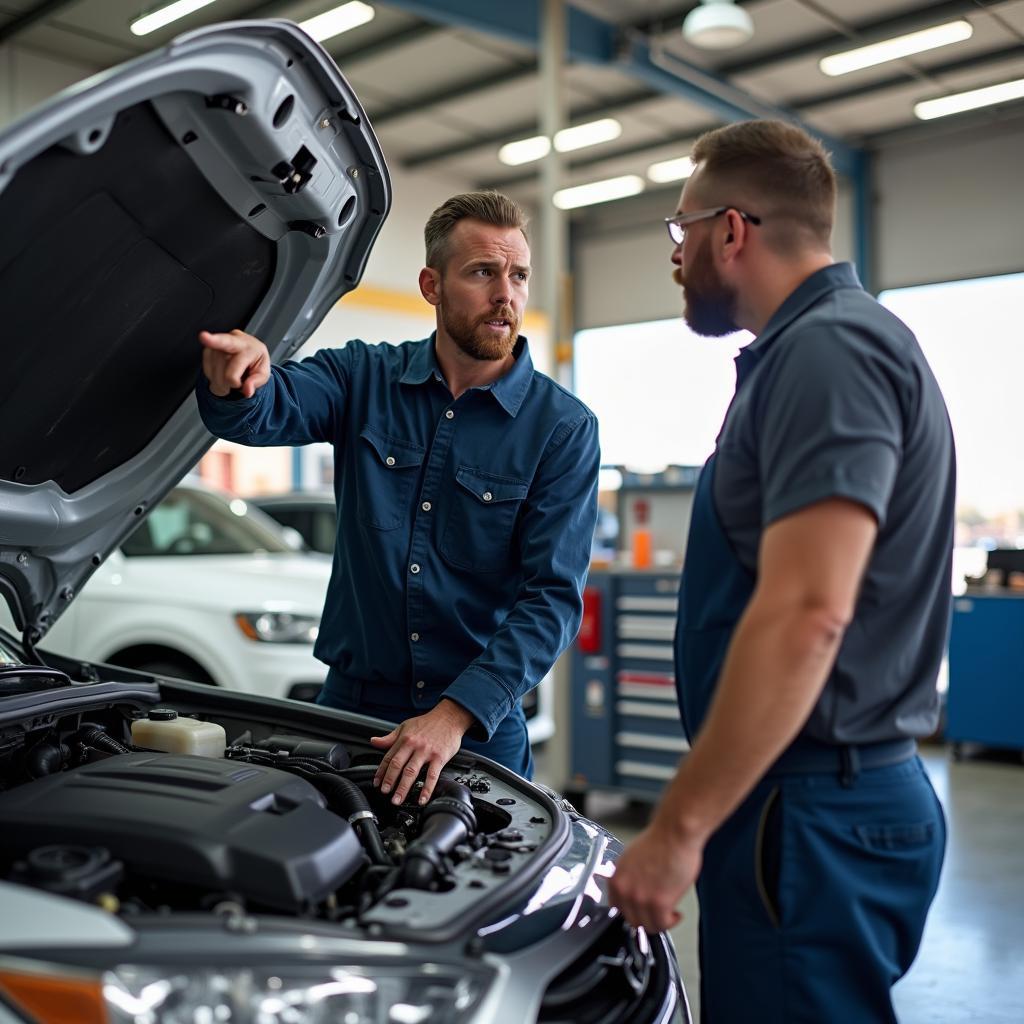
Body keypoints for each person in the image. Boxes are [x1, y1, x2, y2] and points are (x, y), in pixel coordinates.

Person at [608, 120, 952, 1023]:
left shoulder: (828, 352)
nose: (673, 257)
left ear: (732, 230)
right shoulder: (810, 352)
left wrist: (678, 826)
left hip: (810, 810)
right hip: (799, 802)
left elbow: (808, 611)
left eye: (681, 232)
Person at [196, 191, 599, 805]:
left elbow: (553, 599)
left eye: (518, 275)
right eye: (482, 272)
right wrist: (243, 377)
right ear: (431, 285)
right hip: (353, 706)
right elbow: (267, 409)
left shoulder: (562, 428)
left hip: (475, 724)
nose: (506, 295)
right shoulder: (363, 378)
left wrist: (454, 715)